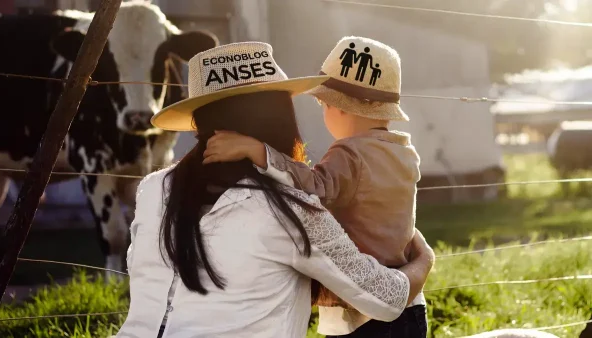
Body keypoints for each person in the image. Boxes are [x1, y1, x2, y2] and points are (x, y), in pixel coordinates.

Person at [116, 41, 434, 338]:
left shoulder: (153, 189)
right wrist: (424, 260)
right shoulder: (289, 210)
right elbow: (388, 299)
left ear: (199, 120)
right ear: (280, 118)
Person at [203, 36, 427, 338]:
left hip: (361, 312)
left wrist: (259, 152)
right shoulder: (405, 152)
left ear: (341, 109)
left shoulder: (349, 153)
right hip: (411, 305)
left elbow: (316, 189)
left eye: (324, 103)